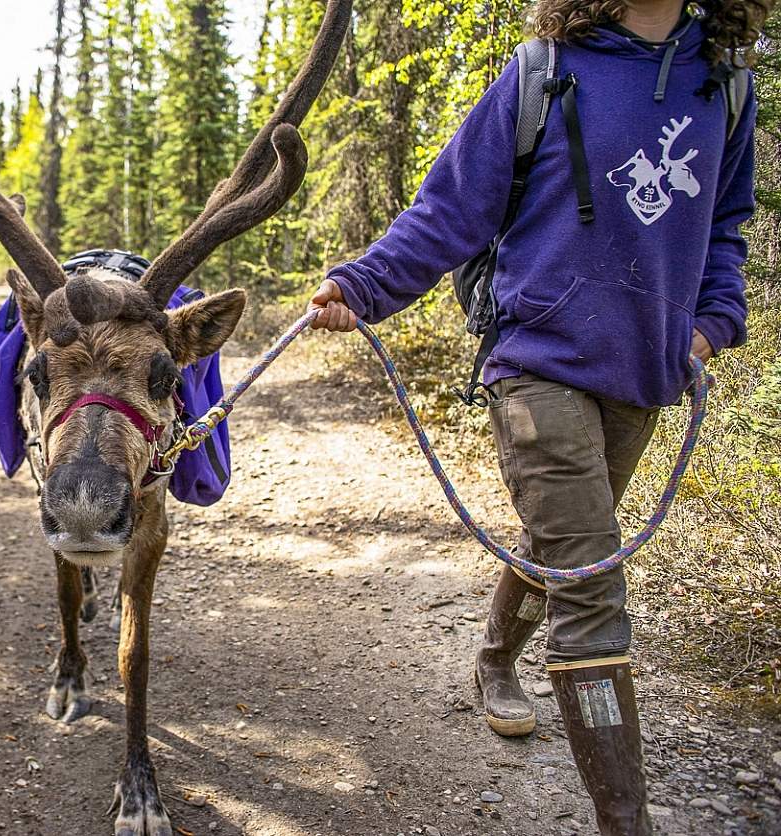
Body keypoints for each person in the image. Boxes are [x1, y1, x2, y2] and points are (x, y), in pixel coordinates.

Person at [307, 1, 772, 833]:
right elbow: (451, 211)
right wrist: (363, 285)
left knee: (561, 542)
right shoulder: (540, 73)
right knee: (591, 583)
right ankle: (625, 821)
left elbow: (729, 226)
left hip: (647, 370)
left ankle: (492, 661)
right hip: (536, 364)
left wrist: (710, 325)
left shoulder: (726, 86)